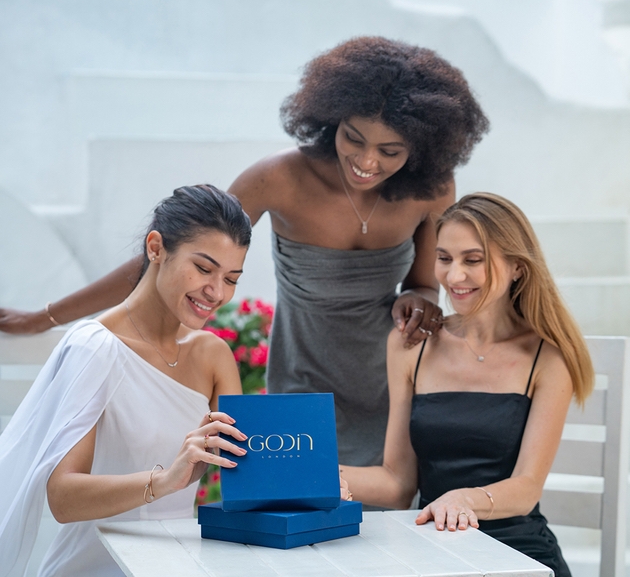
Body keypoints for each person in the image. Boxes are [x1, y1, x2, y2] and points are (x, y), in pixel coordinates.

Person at [0, 37, 490, 467]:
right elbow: (166, 256)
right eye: (353, 138)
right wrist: (43, 318)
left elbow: (423, 283)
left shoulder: (432, 189)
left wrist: (421, 297)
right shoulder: (278, 178)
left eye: (390, 151)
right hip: (302, 381)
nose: (366, 161)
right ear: (330, 117)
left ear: (421, 148)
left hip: (391, 384)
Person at [0, 185, 253, 577]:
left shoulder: (213, 355)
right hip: (95, 567)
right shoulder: (95, 349)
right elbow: (63, 498)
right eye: (203, 269)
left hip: (179, 565)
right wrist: (166, 479)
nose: (216, 292)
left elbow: (248, 479)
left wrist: (315, 488)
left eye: (231, 277)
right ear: (156, 248)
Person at [340, 192, 594, 576]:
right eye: (444, 258)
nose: (454, 276)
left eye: (472, 260)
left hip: (519, 551)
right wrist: (315, 473)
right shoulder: (411, 345)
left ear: (517, 268)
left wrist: (464, 499)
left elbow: (526, 488)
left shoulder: (547, 356)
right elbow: (397, 483)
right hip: (434, 545)